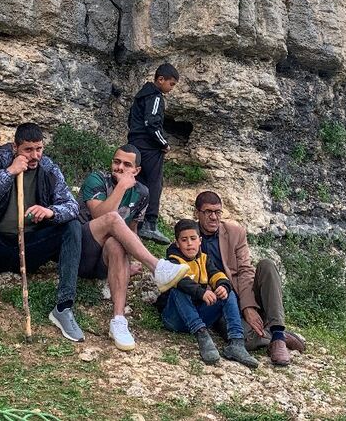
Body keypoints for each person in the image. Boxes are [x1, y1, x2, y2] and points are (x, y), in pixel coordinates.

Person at [0, 123, 85, 341]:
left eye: (39, 149)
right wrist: (9, 172)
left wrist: (50, 211)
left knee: (73, 225)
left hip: (29, 248)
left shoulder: (48, 168)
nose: (35, 155)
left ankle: (64, 307)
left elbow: (72, 206)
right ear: (15, 147)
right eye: (28, 150)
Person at [77, 144, 190, 351]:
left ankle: (118, 321)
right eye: (116, 161)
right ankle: (157, 268)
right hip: (81, 248)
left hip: (104, 258)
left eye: (126, 164)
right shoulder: (97, 179)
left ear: (136, 170)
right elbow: (99, 216)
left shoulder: (142, 193)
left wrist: (129, 264)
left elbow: (131, 230)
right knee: (112, 218)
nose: (119, 167)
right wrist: (121, 187)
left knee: (116, 244)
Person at [194, 191, 306, 366]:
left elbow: (245, 271)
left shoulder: (234, 232)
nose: (214, 217)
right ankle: (278, 335)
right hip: (220, 299)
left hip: (244, 290)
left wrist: (248, 306)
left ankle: (277, 336)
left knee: (267, 265)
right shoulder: (190, 235)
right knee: (247, 340)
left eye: (218, 212)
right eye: (208, 212)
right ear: (197, 213)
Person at [156, 220, 259, 368]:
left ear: (200, 241)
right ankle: (202, 335)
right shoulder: (173, 261)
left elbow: (217, 274)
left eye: (193, 239)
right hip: (175, 318)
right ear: (177, 244)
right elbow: (183, 282)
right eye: (184, 240)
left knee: (227, 292)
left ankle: (237, 343)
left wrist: (222, 286)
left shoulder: (205, 259)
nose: (189, 244)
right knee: (177, 285)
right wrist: (201, 293)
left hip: (200, 314)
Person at [127, 63, 179, 245]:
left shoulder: (140, 96)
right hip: (149, 147)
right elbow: (151, 123)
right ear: (160, 79)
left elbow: (131, 120)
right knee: (155, 182)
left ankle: (135, 221)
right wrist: (163, 143)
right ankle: (150, 223)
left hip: (134, 144)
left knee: (138, 181)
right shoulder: (155, 97)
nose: (171, 89)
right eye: (171, 84)